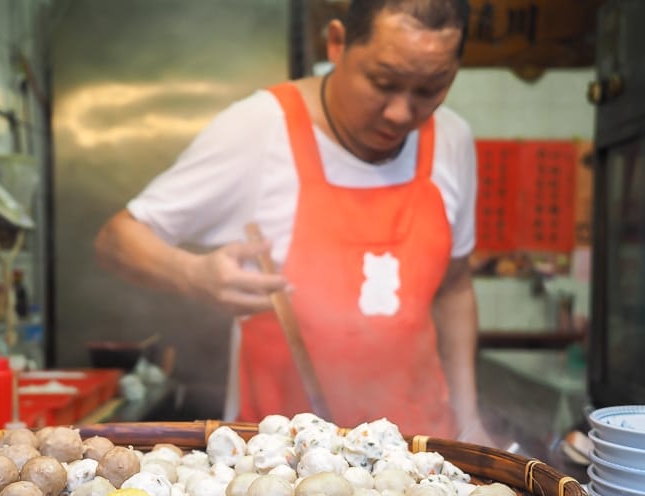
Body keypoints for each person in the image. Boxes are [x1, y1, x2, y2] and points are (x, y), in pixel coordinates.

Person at [95, 0, 493, 445]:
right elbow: (118, 239)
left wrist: (468, 418)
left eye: (430, 89)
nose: (401, 113)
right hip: (280, 461)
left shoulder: (452, 138)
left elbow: (455, 287)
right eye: (383, 83)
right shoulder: (262, 129)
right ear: (338, 44)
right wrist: (194, 274)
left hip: (419, 445)